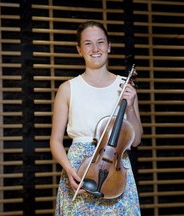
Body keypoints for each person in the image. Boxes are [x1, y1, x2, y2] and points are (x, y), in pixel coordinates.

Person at [49, 20, 143, 215]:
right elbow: (55, 141)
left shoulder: (125, 86)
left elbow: (136, 141)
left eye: (100, 42)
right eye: (88, 43)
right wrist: (69, 170)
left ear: (109, 46)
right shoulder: (67, 89)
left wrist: (131, 106)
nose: (95, 49)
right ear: (79, 50)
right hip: (80, 171)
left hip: (117, 175)